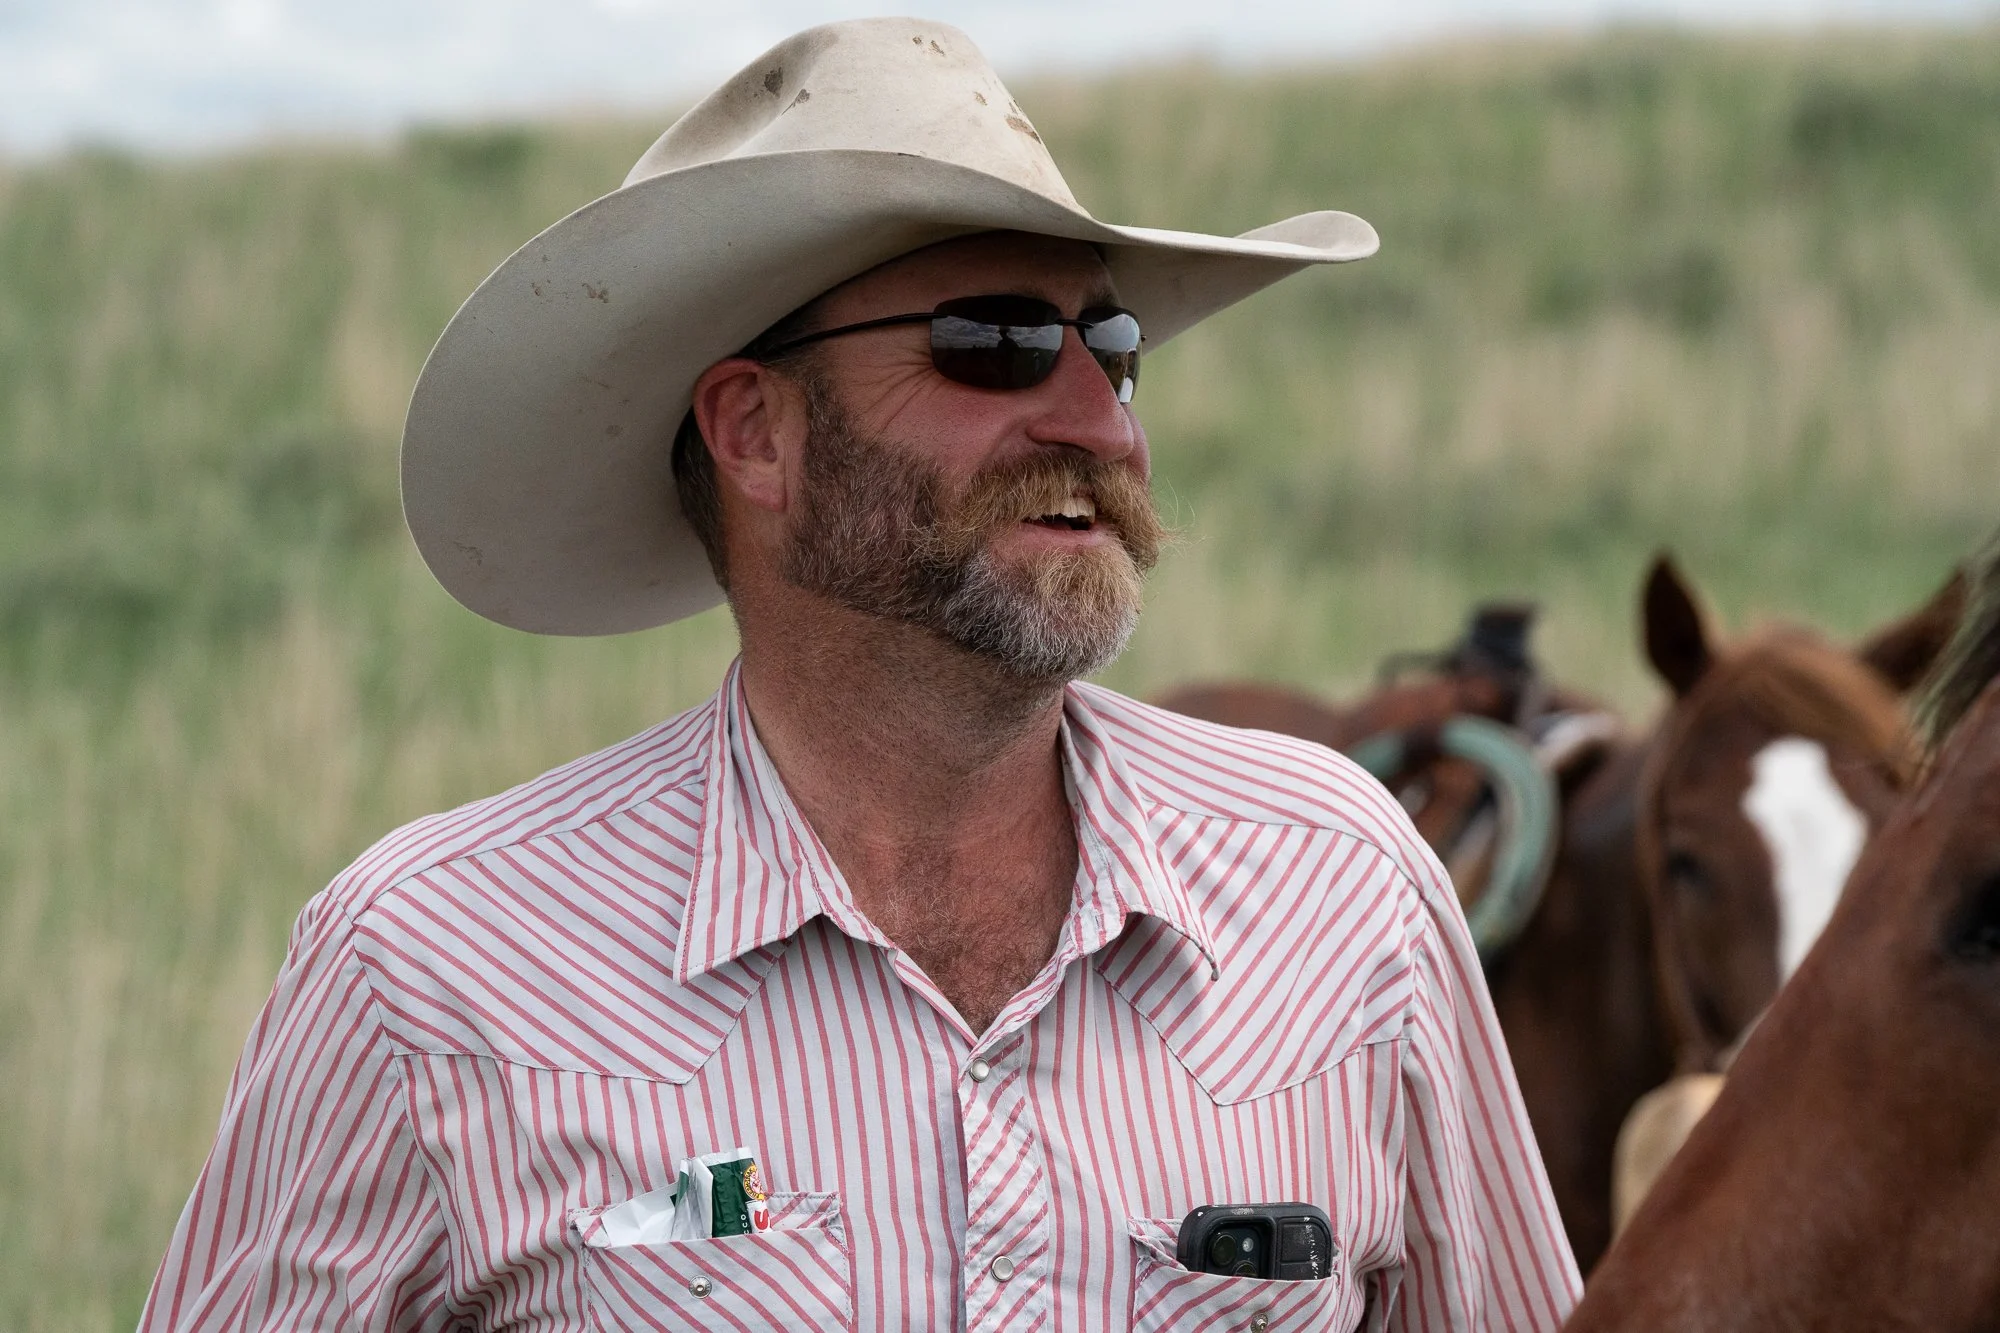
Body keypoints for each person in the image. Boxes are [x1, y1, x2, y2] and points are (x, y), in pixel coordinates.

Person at [142, 18, 1579, 1331]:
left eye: (1115, 347)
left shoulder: (1341, 889)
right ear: (755, 433)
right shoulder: (428, 969)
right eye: (996, 344)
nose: (1101, 422)